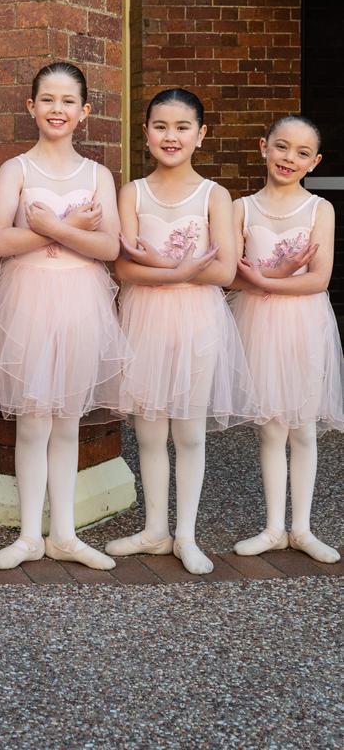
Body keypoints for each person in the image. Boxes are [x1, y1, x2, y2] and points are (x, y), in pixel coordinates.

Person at [107, 88, 257, 575]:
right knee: (149, 430)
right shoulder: (132, 192)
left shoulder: (214, 195)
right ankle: (154, 530)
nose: (170, 137)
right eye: (161, 126)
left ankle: (186, 535)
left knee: (189, 432)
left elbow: (226, 271)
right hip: (144, 320)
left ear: (201, 135)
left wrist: (160, 264)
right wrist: (183, 265)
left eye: (182, 127)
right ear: (146, 131)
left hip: (197, 321)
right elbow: (124, 270)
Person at [0, 62, 125, 572]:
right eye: (47, 99)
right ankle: (27, 535)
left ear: (84, 112)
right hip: (28, 300)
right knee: (33, 422)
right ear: (31, 107)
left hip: (80, 302)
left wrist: (53, 228)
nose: (57, 109)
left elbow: (108, 245)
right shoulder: (16, 170)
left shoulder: (97, 175)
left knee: (67, 421)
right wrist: (67, 226)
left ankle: (64, 533)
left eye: (68, 101)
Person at [231, 115, 343, 563]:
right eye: (281, 147)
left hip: (304, 324)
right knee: (271, 428)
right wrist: (261, 280)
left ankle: (303, 528)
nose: (288, 159)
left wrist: (265, 281)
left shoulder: (320, 210)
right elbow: (232, 277)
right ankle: (274, 527)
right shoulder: (242, 208)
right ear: (263, 147)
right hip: (258, 324)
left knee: (303, 428)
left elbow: (319, 280)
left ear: (314, 162)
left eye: (301, 153)